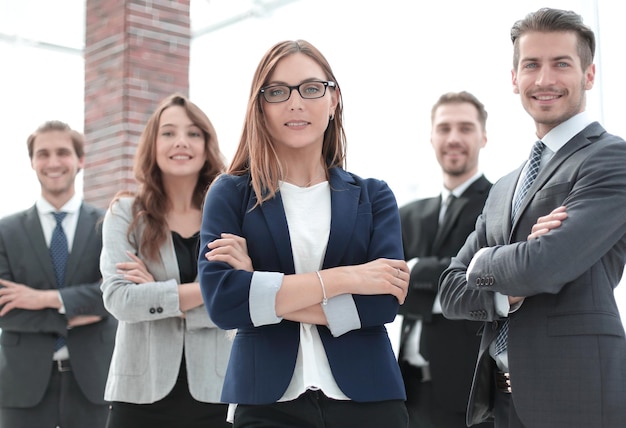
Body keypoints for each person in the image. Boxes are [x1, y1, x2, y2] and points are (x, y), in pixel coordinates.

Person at [198, 39, 410, 428]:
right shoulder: (230, 193)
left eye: (311, 88)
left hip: (369, 396)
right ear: (260, 106)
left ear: (334, 100)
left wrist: (258, 288)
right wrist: (347, 278)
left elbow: (381, 304)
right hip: (265, 400)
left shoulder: (373, 195)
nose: (295, 103)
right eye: (277, 92)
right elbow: (224, 303)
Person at [439, 8, 626, 428]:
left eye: (561, 63)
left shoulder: (611, 158)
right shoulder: (504, 185)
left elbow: (546, 266)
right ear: (514, 79)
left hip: (579, 398)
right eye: (531, 65)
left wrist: (487, 261)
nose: (544, 80)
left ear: (589, 75)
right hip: (502, 403)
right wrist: (507, 290)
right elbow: (450, 292)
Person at [99, 93, 232, 428]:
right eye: (168, 133)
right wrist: (210, 289)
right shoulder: (126, 213)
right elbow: (120, 300)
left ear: (206, 144)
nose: (181, 143)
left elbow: (241, 302)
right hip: (139, 394)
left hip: (217, 393)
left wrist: (158, 293)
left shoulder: (231, 215)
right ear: (153, 144)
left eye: (193, 133)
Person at [0, 120, 116, 428]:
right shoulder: (5, 231)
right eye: (43, 153)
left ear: (80, 160)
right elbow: (4, 309)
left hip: (94, 381)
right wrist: (74, 312)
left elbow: (114, 296)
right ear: (32, 162)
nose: (53, 162)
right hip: (21, 384)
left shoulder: (109, 225)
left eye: (62, 152)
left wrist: (42, 299)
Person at [398, 91, 493, 428]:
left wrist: (412, 273)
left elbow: (484, 275)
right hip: (406, 392)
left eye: (465, 128)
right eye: (444, 128)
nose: (453, 138)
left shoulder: (499, 207)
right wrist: (450, 281)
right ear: (432, 137)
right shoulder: (407, 216)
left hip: (471, 397)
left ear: (483, 136)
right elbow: (380, 284)